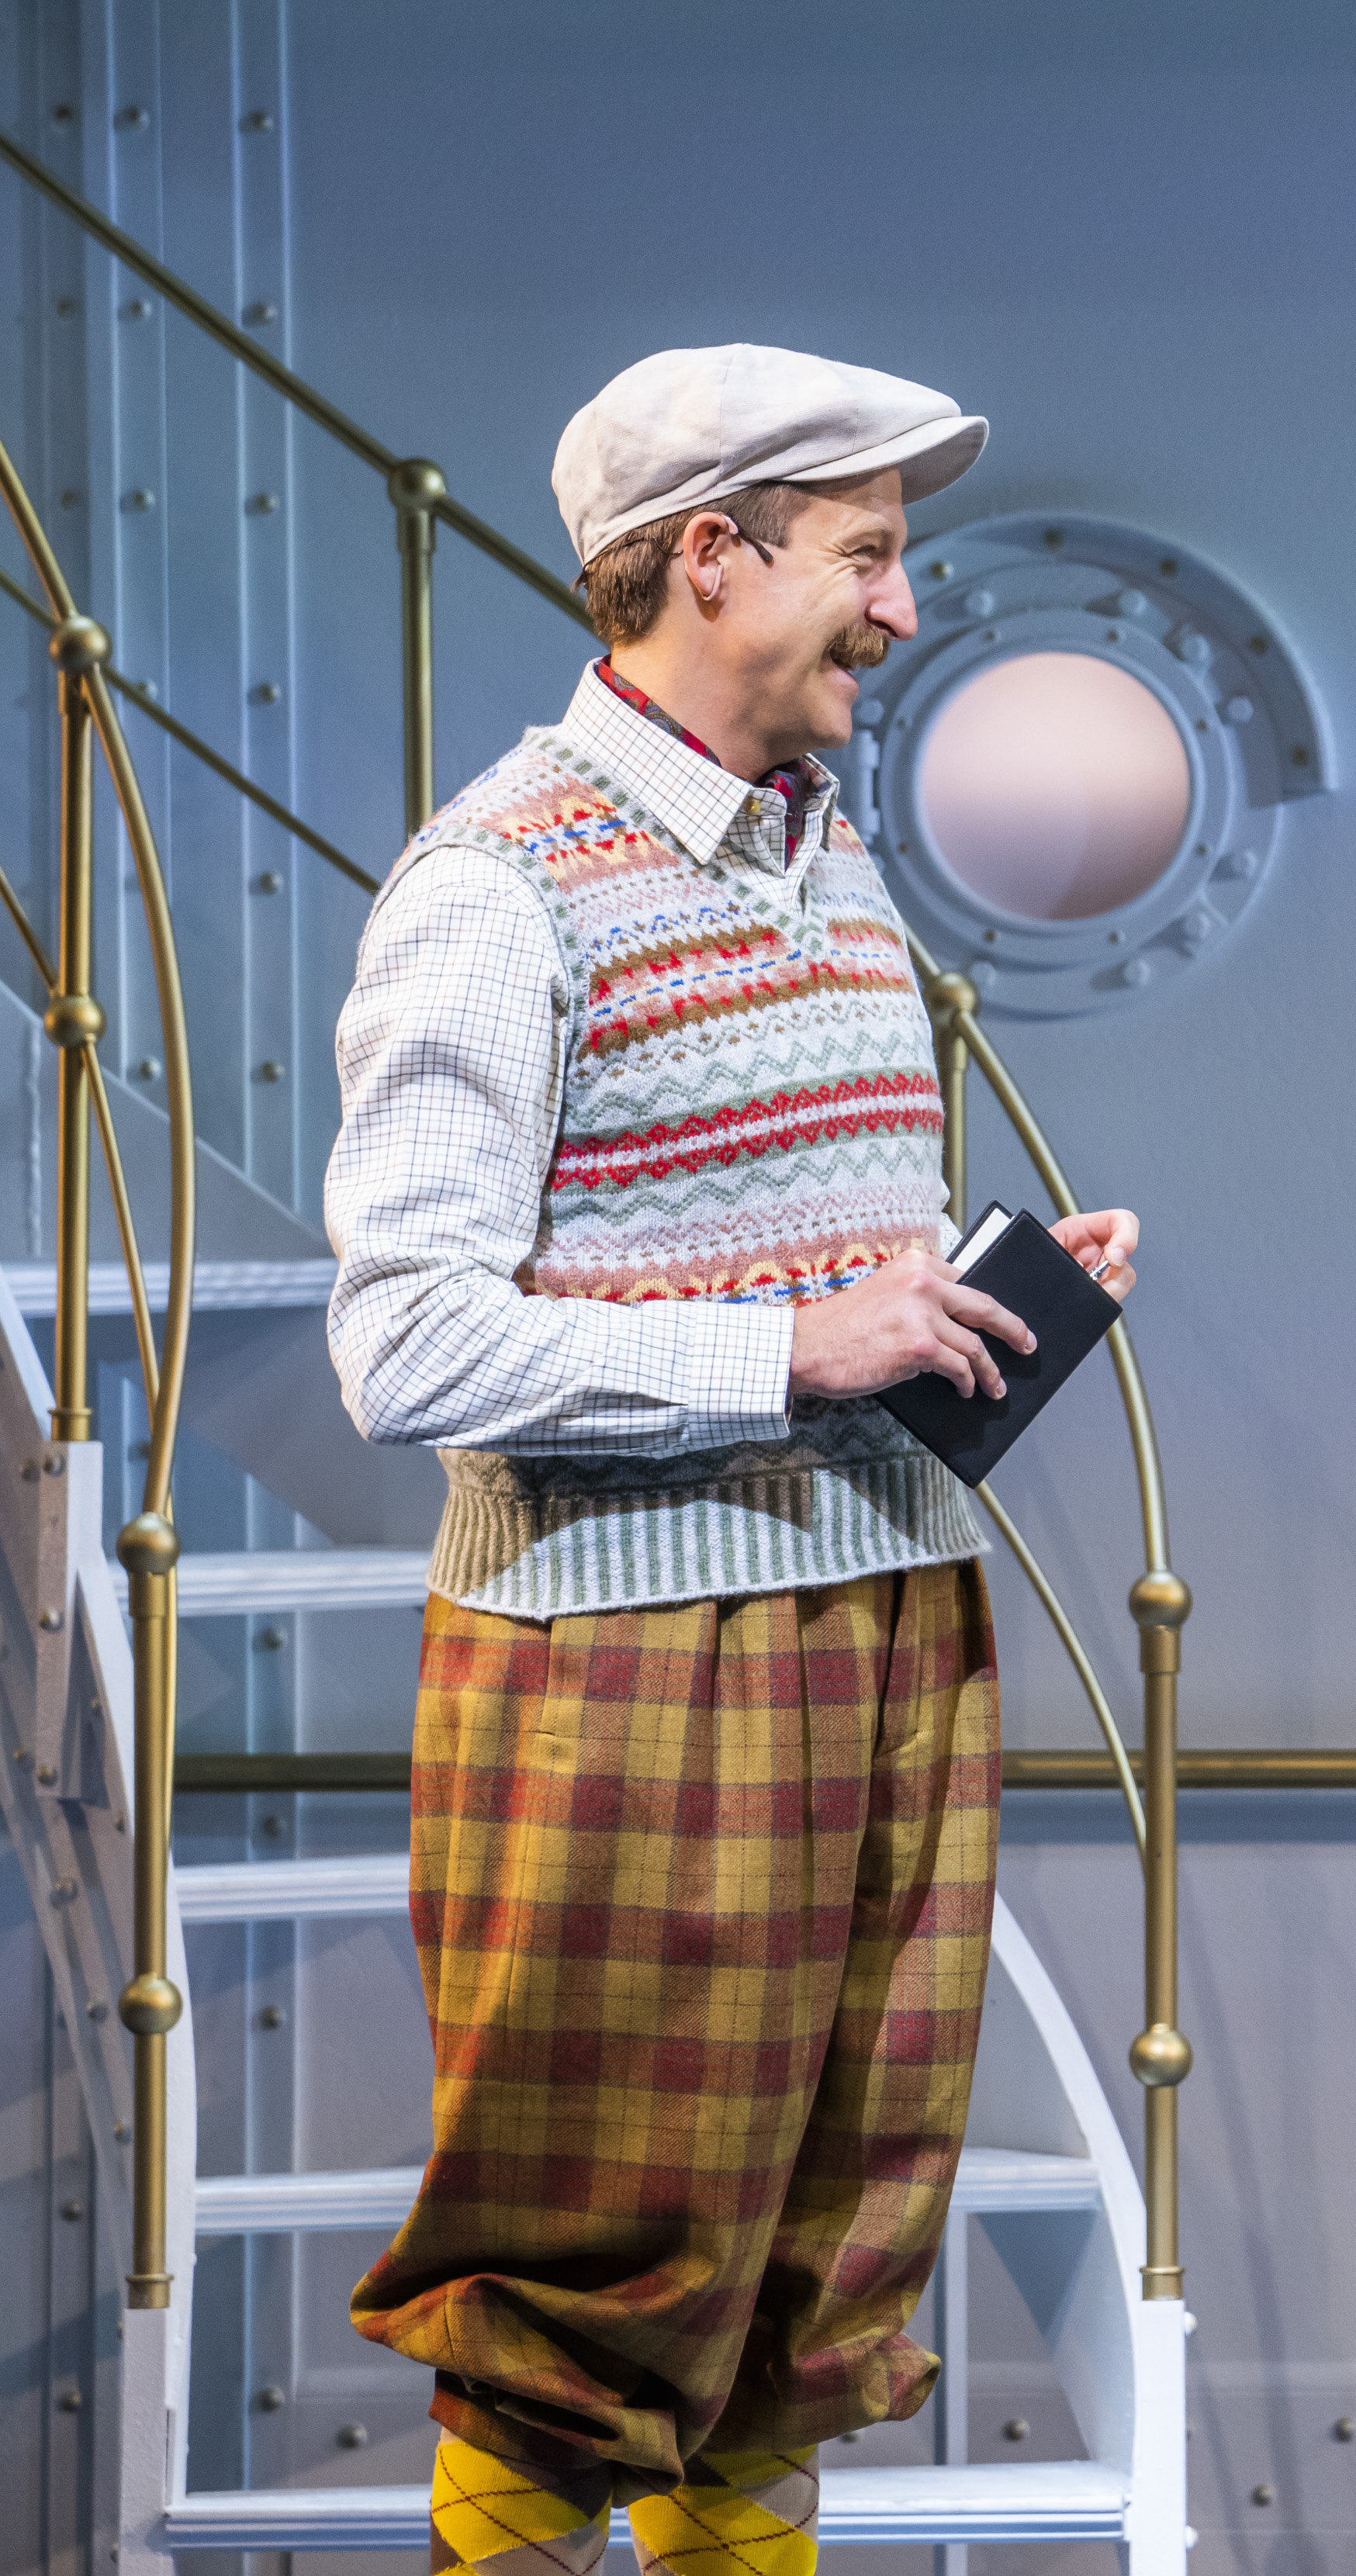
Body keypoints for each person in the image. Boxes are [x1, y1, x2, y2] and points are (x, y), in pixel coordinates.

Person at [324, 344, 1138, 2576]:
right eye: (866, 555)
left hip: (887, 1615)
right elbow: (403, 1339)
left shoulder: (828, 856)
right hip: (631, 1661)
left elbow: (783, 1257)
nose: (902, 606)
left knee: (818, 2262)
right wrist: (793, 1342)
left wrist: (974, 1295)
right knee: (582, 2278)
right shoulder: (501, 884)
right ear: (711, 556)